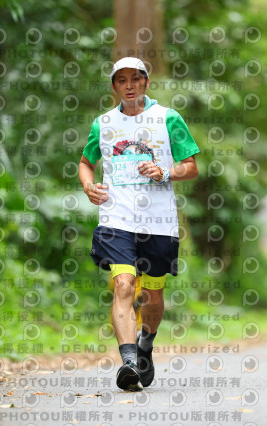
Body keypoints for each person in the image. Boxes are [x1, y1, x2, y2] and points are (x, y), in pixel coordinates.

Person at [78, 57, 200, 391]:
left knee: (152, 297)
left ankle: (146, 342)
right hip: (116, 218)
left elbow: (191, 167)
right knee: (123, 286)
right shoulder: (103, 123)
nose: (129, 85)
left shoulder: (168, 118)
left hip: (158, 221)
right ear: (114, 86)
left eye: (136, 79)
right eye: (122, 80)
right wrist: (88, 186)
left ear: (146, 82)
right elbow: (86, 162)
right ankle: (129, 362)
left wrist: (165, 172)